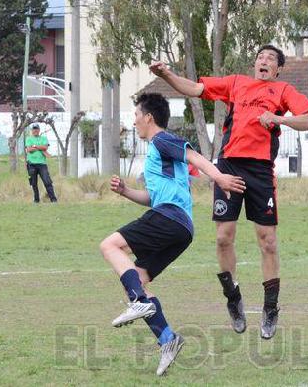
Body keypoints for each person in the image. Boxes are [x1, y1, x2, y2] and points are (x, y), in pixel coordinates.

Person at [149, 44, 308, 340]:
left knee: (268, 242)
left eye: (270, 59)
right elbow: (194, 88)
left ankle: (270, 308)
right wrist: (166, 74)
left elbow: (307, 119)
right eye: (260, 57)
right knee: (223, 237)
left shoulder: (282, 90)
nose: (263, 61)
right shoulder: (236, 83)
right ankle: (233, 298)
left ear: (278, 69)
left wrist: (278, 119)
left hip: (260, 170)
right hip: (228, 166)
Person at [100, 93, 246, 375]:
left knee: (109, 246)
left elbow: (194, 156)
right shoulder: (158, 153)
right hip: (180, 226)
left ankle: (139, 304)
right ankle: (167, 338)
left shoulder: (162, 140)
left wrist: (219, 177)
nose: (134, 122)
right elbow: (153, 198)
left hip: (169, 217)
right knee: (138, 279)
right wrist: (126, 192)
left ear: (148, 117)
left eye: (135, 116)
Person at [24, 124, 57, 203]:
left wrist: (34, 146)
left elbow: (45, 147)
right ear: (31, 130)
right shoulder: (28, 139)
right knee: (33, 183)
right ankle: (36, 200)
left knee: (47, 182)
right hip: (31, 164)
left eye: (36, 129)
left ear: (39, 130)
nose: (35, 130)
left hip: (42, 164)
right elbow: (29, 149)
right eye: (34, 129)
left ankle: (53, 199)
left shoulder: (43, 138)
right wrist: (39, 147)